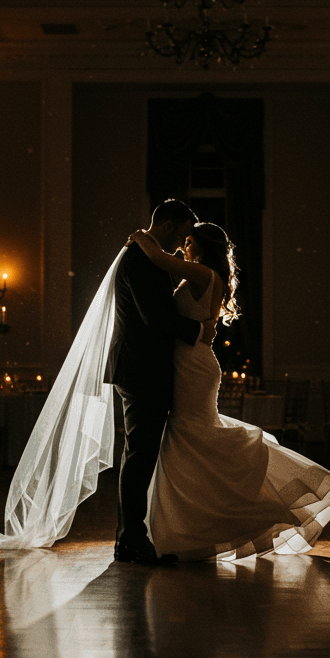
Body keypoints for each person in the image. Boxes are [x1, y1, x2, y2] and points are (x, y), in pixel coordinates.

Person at [127, 222, 330, 561]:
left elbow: (159, 258)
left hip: (192, 364)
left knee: (190, 434)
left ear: (201, 247)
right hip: (191, 360)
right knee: (189, 438)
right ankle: (191, 533)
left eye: (188, 242)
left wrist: (140, 237)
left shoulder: (203, 273)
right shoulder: (205, 276)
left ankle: (225, 521)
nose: (183, 247)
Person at [105, 199, 206, 565]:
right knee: (139, 456)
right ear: (168, 226)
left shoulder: (144, 255)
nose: (183, 242)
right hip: (140, 369)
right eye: (182, 233)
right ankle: (130, 539)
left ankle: (130, 537)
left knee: (140, 454)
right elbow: (155, 317)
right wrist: (200, 329)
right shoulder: (141, 259)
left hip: (140, 367)